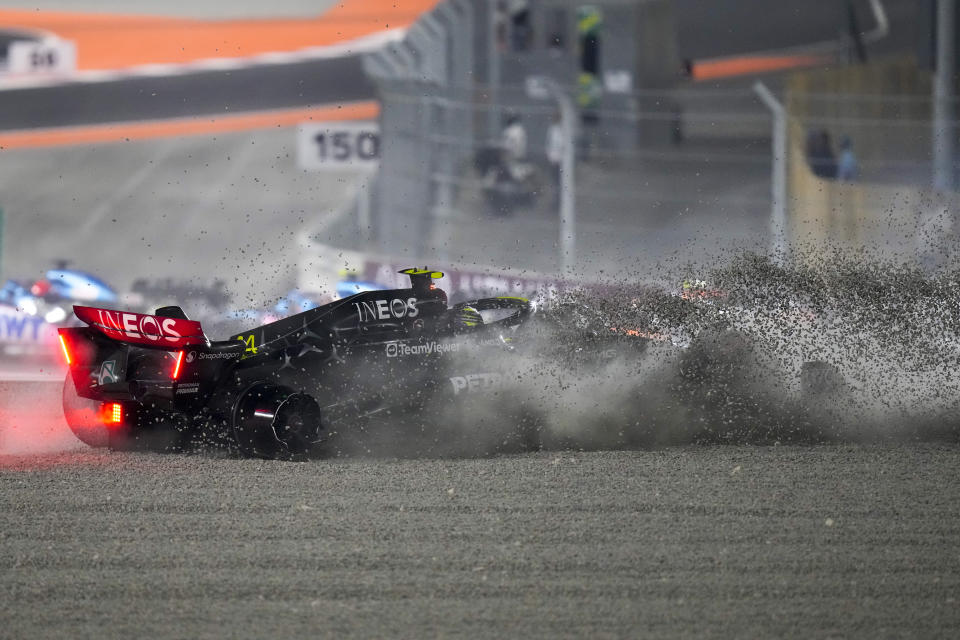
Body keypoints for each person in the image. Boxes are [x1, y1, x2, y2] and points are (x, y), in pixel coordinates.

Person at [546, 111, 565, 211]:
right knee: (555, 182)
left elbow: (562, 145)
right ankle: (556, 201)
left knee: (560, 183)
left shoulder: (562, 130)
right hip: (554, 160)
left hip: (560, 161)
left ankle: (560, 202)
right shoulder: (553, 129)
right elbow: (550, 144)